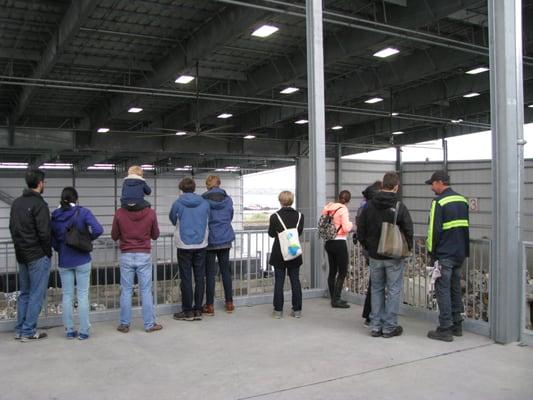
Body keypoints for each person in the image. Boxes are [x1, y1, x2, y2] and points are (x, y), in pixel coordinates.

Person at [357, 172, 413, 338]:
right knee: (394, 290)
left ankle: (375, 326)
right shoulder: (399, 206)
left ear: (382, 185)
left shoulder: (368, 206)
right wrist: (407, 248)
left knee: (376, 289)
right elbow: (409, 230)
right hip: (393, 255)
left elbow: (361, 230)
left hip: (374, 255)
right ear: (396, 186)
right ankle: (389, 327)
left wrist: (368, 248)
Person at [51, 187, 103, 340]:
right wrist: (86, 240)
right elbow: (98, 229)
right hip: (82, 259)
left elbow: (52, 239)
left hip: (64, 260)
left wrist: (59, 247)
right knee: (82, 295)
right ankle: (84, 330)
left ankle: (69, 330)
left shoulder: (54, 216)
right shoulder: (83, 212)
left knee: (67, 295)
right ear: (76, 199)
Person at [425, 170, 469, 342]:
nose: (431, 188)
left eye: (432, 184)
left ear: (439, 182)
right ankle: (457, 325)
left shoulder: (439, 202)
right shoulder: (462, 200)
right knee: (455, 289)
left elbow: (433, 230)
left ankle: (445, 328)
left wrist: (431, 253)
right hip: (460, 253)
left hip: (444, 254)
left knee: (442, 290)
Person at [9, 169, 52, 342]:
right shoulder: (39, 204)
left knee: (24, 293)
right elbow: (44, 232)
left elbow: (12, 228)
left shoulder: (16, 203)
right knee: (36, 294)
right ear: (40, 183)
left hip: (22, 254)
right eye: (44, 183)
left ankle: (20, 329)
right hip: (37, 255)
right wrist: (47, 252)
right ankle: (28, 330)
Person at [111, 198, 162, 333]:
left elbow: (114, 235)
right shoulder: (151, 213)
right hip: (144, 254)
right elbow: (156, 235)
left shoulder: (119, 213)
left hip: (126, 254)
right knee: (145, 290)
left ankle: (124, 324)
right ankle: (149, 324)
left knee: (126, 290)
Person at [169, 177, 210, 321]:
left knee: (186, 278)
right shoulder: (204, 203)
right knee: (200, 277)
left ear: (181, 188)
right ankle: (198, 309)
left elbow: (173, 218)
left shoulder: (178, 203)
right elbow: (207, 218)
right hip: (201, 243)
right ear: (194, 188)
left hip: (183, 244)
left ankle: (187, 311)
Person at [202, 175, 235, 316]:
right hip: (225, 238)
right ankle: (229, 303)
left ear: (207, 185)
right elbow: (230, 216)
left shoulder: (203, 200)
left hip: (210, 240)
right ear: (220, 184)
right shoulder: (228, 200)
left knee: (210, 274)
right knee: (225, 272)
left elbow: (202, 217)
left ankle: (210, 305)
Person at [268, 191, 305, 318]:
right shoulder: (300, 216)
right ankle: (297, 310)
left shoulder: (275, 216)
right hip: (294, 251)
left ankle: (278, 311)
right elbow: (298, 233)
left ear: (280, 201)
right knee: (295, 280)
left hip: (279, 252)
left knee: (279, 281)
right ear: (292, 200)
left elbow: (271, 234)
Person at [355, 181, 382, 327]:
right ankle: (374, 316)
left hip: (368, 250)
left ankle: (370, 315)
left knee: (374, 283)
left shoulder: (362, 207)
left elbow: (360, 231)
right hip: (376, 250)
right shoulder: (372, 208)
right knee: (377, 285)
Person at [321, 190, 353, 308]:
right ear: (348, 200)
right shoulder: (343, 209)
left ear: (338, 197)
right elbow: (345, 227)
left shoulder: (329, 207)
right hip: (339, 242)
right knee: (343, 271)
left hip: (329, 242)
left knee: (332, 271)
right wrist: (351, 224)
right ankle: (336, 299)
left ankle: (333, 297)